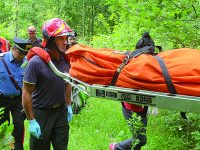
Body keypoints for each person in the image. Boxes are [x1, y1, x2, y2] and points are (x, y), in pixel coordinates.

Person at [22, 18, 74, 150]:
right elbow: (26, 92)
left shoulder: (65, 59)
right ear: (50, 40)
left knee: (62, 147)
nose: (65, 42)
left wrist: (68, 105)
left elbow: (67, 83)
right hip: (41, 114)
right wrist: (32, 120)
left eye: (65, 38)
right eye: (60, 38)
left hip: (60, 113)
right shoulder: (36, 62)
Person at [0, 37, 33, 150]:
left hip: (19, 100)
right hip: (2, 100)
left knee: (19, 127)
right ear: (13, 49)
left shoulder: (26, 63)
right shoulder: (1, 60)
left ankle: (17, 148)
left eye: (25, 54)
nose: (22, 56)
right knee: (2, 127)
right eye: (20, 53)